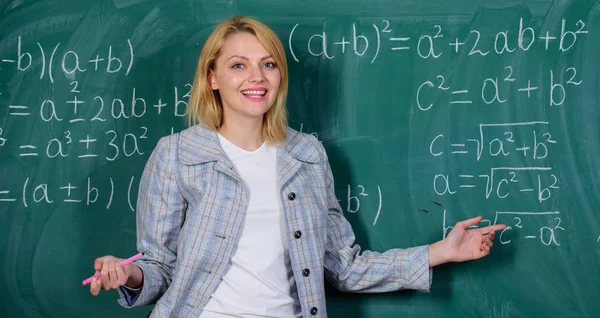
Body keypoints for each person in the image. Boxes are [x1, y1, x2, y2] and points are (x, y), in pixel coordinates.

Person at [89, 15, 506, 317]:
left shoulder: (307, 155)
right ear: (212, 77)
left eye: (268, 64)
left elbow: (342, 266)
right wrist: (125, 275)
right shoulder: (177, 154)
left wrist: (441, 251)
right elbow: (157, 267)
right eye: (238, 65)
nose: (257, 76)